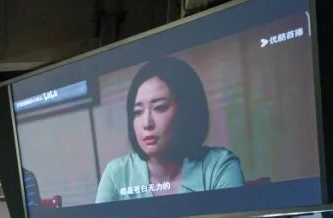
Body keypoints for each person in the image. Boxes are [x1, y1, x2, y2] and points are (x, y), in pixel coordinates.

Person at [96, 56, 243, 203]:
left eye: (159, 107)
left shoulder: (219, 166)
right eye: (138, 112)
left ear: (186, 111)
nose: (147, 123)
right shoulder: (117, 174)